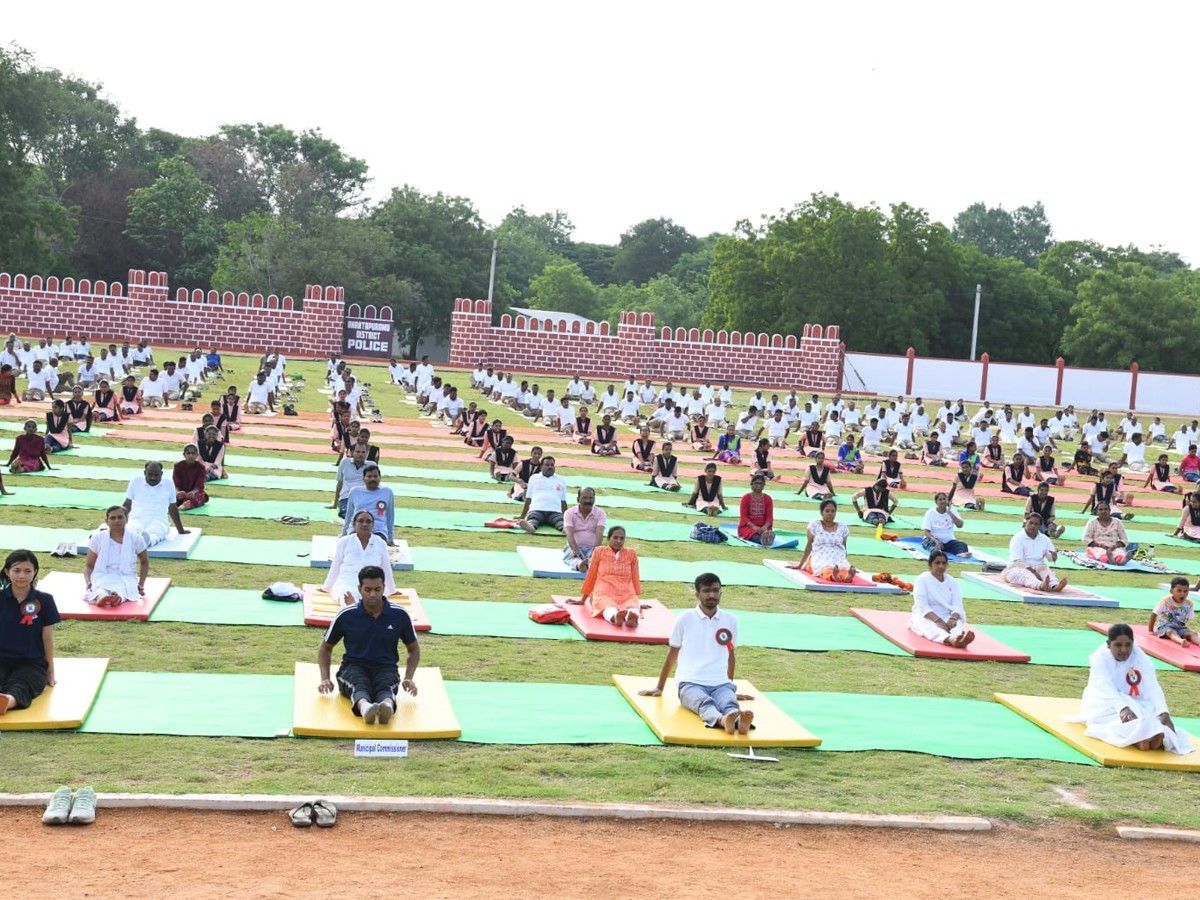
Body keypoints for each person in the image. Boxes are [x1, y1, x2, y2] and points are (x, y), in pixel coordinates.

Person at [638, 573, 754, 734]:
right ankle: (722, 720)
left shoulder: (731, 620)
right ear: (697, 594)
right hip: (689, 683)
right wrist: (659, 687)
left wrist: (730, 686)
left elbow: (730, 655)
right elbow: (672, 653)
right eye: (706, 591)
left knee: (729, 702)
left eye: (715, 590)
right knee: (705, 703)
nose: (712, 595)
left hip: (720, 683)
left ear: (721, 593)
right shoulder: (684, 618)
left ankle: (739, 721)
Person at [317, 565, 420, 725]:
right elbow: (326, 648)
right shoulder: (347, 615)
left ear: (384, 588)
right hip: (353, 667)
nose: (373, 594)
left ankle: (386, 706)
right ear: (359, 588)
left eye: (378, 589)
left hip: (386, 667)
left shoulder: (399, 615)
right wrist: (325, 679)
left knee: (386, 686)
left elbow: (413, 649)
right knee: (359, 686)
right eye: (368, 589)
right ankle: (366, 709)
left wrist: (408, 678)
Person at [1070, 624, 1193, 754]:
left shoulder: (1140, 656)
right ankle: (1139, 740)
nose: (1124, 650)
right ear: (1108, 644)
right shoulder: (1099, 658)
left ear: (1133, 643)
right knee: (1115, 720)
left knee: (1151, 716)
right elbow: (1104, 687)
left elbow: (1152, 685)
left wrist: (1164, 712)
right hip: (1103, 702)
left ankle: (1151, 737)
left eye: (1128, 645)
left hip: (1133, 700)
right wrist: (1123, 708)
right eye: (1118, 645)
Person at [0, 550, 60, 716]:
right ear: (7, 571)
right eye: (16, 570)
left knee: (23, 684)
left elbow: (47, 638)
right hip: (1, 659)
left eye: (28, 571)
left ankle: (7, 701)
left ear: (35, 573)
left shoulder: (45, 600)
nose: (22, 576)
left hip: (32, 662)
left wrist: (50, 670)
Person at [569, 526, 642, 626]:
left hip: (626, 591)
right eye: (615, 537)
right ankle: (615, 617)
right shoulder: (600, 551)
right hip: (604, 591)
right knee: (607, 606)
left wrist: (637, 599)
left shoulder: (631, 553)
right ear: (608, 539)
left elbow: (635, 576)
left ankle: (632, 618)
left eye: (622, 538)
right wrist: (583, 599)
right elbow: (591, 575)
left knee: (632, 606)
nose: (618, 541)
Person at [323, 511, 398, 605]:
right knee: (346, 595)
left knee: (374, 596)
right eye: (361, 521)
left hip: (372, 582)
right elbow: (335, 567)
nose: (365, 524)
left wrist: (392, 589)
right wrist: (326, 587)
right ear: (354, 525)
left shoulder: (380, 543)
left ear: (373, 525)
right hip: (348, 580)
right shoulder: (344, 542)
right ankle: (351, 607)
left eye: (368, 521)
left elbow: (386, 568)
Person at [82, 506, 150, 606]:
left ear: (126, 519)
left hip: (126, 576)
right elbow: (89, 566)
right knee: (99, 586)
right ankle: (102, 597)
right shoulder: (97, 538)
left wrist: (141, 584)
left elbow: (144, 562)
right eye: (113, 518)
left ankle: (117, 598)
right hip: (102, 574)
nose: (117, 521)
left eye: (120, 517)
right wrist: (88, 582)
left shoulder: (136, 539)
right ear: (106, 521)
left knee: (125, 588)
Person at [909, 551, 975, 648]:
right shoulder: (922, 579)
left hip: (947, 614)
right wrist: (938, 621)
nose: (941, 566)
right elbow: (922, 605)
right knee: (929, 627)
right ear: (930, 564)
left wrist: (953, 618)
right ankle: (951, 639)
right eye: (937, 563)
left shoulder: (952, 581)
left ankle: (959, 638)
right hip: (926, 615)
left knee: (957, 624)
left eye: (944, 563)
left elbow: (957, 604)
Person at [122, 461, 189, 547]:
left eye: (156, 475)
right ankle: (136, 540)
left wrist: (181, 530)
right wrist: (113, 526)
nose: (153, 478)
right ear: (144, 473)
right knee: (132, 530)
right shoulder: (135, 481)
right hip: (136, 519)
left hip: (159, 520)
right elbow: (127, 504)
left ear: (161, 473)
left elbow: (172, 508)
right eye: (150, 474)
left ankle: (147, 541)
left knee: (156, 533)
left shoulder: (168, 484)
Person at [1003, 514, 1067, 593]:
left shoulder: (1045, 539)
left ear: (1040, 526)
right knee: (1026, 576)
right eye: (1031, 523)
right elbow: (1018, 562)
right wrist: (1032, 571)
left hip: (1039, 566)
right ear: (1026, 522)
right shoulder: (1017, 538)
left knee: (1046, 571)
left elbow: (1050, 557)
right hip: (1018, 568)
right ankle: (1040, 586)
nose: (1033, 526)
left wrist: (1053, 556)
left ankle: (1054, 585)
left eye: (1036, 524)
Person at [796, 499, 855, 581]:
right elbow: (809, 546)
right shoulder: (815, 525)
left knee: (843, 568)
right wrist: (800, 565)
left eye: (833, 511)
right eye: (827, 511)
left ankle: (846, 577)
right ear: (821, 512)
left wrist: (845, 561)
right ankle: (833, 576)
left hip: (838, 556)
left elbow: (844, 548)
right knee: (825, 568)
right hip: (819, 556)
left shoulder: (842, 526)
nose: (830, 513)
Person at [341, 464, 395, 544]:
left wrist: (390, 537)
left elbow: (390, 516)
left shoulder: (387, 492)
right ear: (363, 478)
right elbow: (349, 515)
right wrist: (344, 534)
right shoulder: (355, 492)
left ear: (380, 478)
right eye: (369, 476)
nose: (372, 479)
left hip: (378, 531)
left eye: (375, 476)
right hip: (356, 529)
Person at [519, 456, 568, 534]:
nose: (550, 467)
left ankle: (565, 529)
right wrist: (522, 515)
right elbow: (529, 499)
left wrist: (567, 518)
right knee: (533, 519)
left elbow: (563, 501)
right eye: (547, 465)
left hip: (554, 511)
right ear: (541, 467)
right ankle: (531, 527)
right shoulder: (534, 478)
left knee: (560, 521)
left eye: (552, 465)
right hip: (537, 509)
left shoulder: (561, 480)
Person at [563, 487, 606, 572]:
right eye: (584, 498)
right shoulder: (569, 513)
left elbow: (600, 532)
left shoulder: (600, 513)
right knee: (571, 556)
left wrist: (595, 551)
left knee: (598, 558)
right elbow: (569, 533)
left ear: (594, 499)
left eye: (591, 498)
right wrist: (575, 549)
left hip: (592, 547)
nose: (588, 501)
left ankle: (590, 564)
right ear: (578, 499)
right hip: (574, 546)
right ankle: (580, 565)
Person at [1149, 578, 1198, 648]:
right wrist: (1150, 630)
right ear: (1171, 591)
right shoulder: (1165, 601)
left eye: (1185, 591)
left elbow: (1188, 617)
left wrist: (1186, 630)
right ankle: (1181, 641)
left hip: (1181, 628)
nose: (1182, 593)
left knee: (1193, 634)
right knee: (1170, 632)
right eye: (1179, 591)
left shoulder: (1189, 604)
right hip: (1165, 627)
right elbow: (1154, 614)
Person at [331, 443, 370, 519]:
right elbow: (340, 483)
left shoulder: (371, 465)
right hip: (346, 498)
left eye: (363, 452)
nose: (360, 455)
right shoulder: (344, 463)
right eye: (358, 452)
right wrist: (335, 504)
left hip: (364, 498)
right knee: (347, 513)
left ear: (367, 453)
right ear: (352, 452)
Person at [737, 474, 775, 546]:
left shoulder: (768, 499)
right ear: (751, 485)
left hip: (764, 527)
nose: (758, 486)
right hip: (748, 527)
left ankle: (767, 537)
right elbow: (744, 517)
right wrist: (754, 527)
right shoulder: (746, 498)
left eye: (761, 484)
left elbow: (769, 517)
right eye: (756, 483)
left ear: (764, 485)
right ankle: (762, 540)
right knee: (753, 535)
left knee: (767, 533)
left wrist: (765, 527)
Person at [172, 444, 209, 511]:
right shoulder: (178, 466)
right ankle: (181, 503)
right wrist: (177, 492)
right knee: (170, 496)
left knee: (200, 496)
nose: (191, 456)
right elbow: (176, 483)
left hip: (194, 493)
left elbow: (199, 485)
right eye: (188, 453)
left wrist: (193, 492)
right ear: (184, 455)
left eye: (193, 453)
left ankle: (185, 505)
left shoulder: (201, 468)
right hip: (181, 493)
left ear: (197, 455)